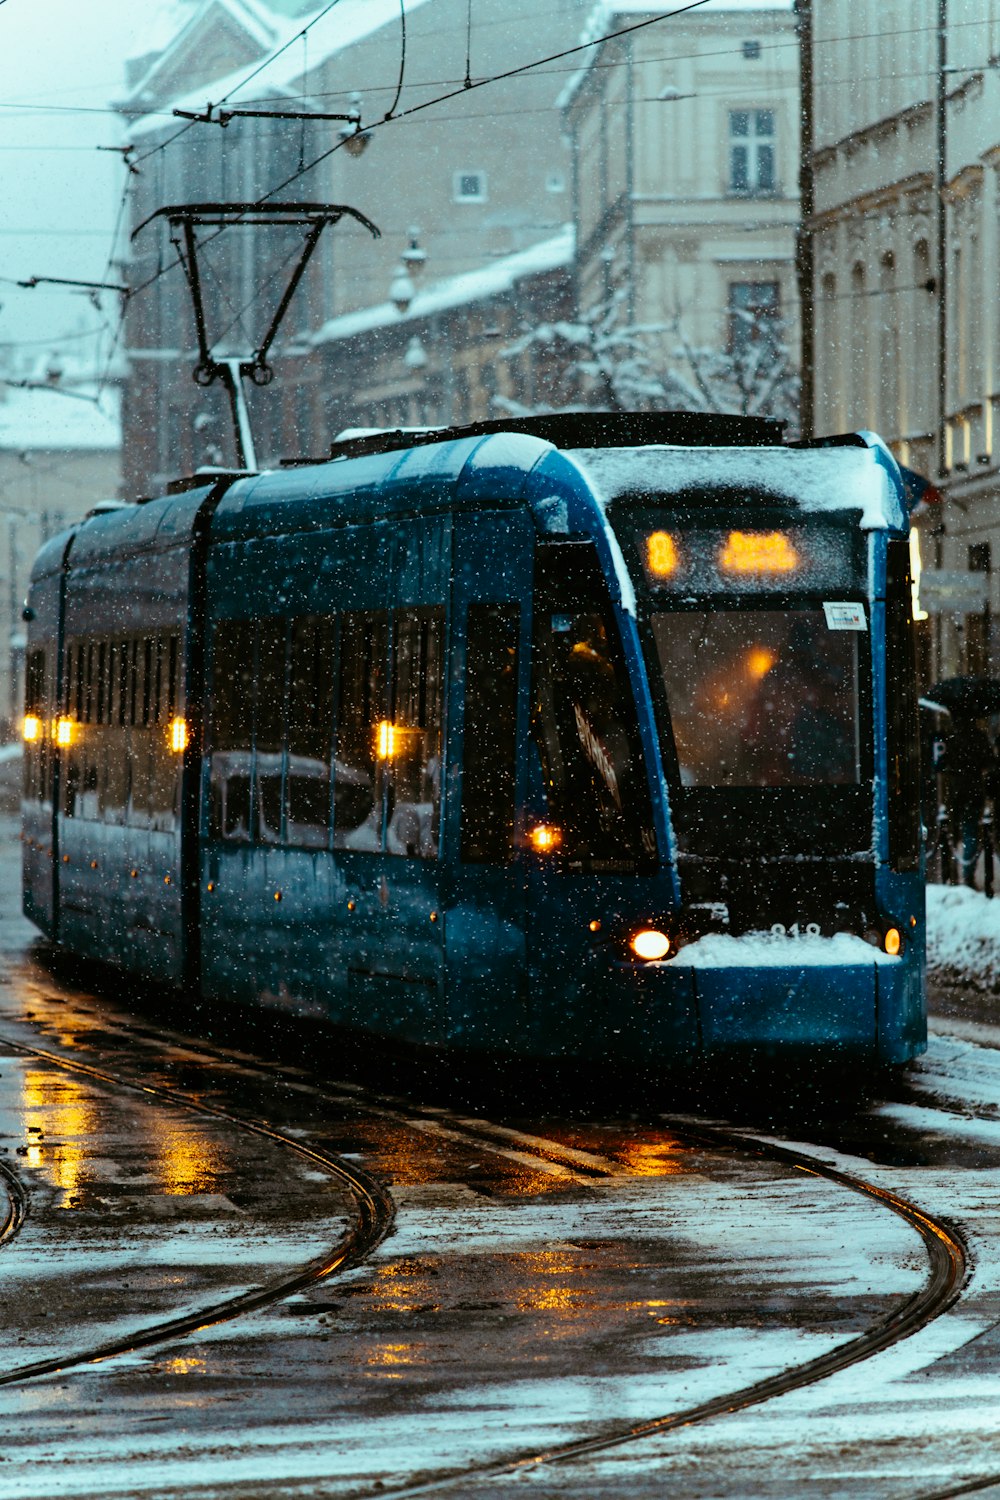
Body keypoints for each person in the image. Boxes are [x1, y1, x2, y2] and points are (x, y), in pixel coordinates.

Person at [939, 713, 997, 887]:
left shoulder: (950, 737)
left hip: (956, 790)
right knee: (970, 831)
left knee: (952, 831)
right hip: (973, 789)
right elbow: (989, 761)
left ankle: (952, 873)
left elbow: (943, 762)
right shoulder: (978, 737)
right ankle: (967, 874)